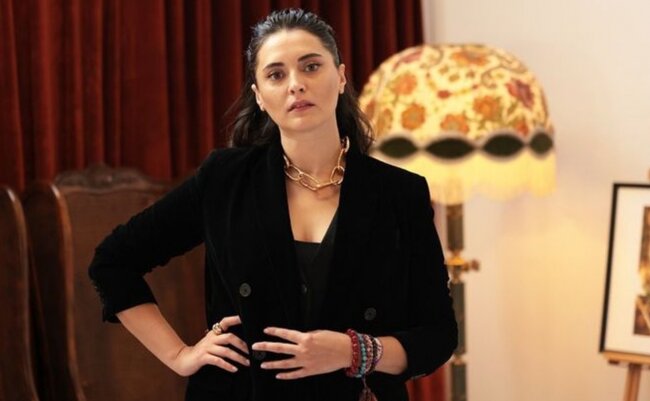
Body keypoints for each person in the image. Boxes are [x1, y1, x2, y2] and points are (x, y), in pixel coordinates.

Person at [89, 8, 457, 401]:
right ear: (260, 97)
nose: (296, 85)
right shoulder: (225, 180)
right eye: (276, 75)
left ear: (341, 77)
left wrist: (354, 351)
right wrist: (179, 355)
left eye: (311, 66)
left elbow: (438, 334)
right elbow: (113, 261)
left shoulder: (400, 193)